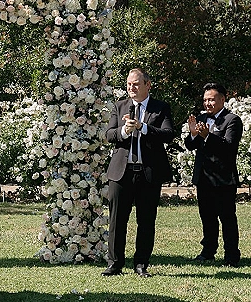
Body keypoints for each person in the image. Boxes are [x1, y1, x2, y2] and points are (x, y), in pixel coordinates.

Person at [102, 67, 174, 277]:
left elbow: (168, 134)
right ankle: (115, 263)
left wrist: (143, 127)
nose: (131, 88)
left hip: (148, 172)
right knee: (117, 219)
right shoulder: (120, 105)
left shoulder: (160, 108)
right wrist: (125, 131)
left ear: (147, 85)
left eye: (135, 84)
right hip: (121, 172)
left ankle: (141, 264)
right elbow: (109, 134)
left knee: (146, 220)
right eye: (128, 84)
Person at [184, 82, 243, 267]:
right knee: (207, 217)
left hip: (223, 179)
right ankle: (208, 251)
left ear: (222, 99)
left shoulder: (232, 120)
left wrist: (208, 136)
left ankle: (232, 255)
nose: (207, 103)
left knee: (227, 218)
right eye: (205, 100)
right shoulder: (201, 118)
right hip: (204, 177)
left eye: (211, 99)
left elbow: (229, 147)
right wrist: (193, 134)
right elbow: (190, 144)